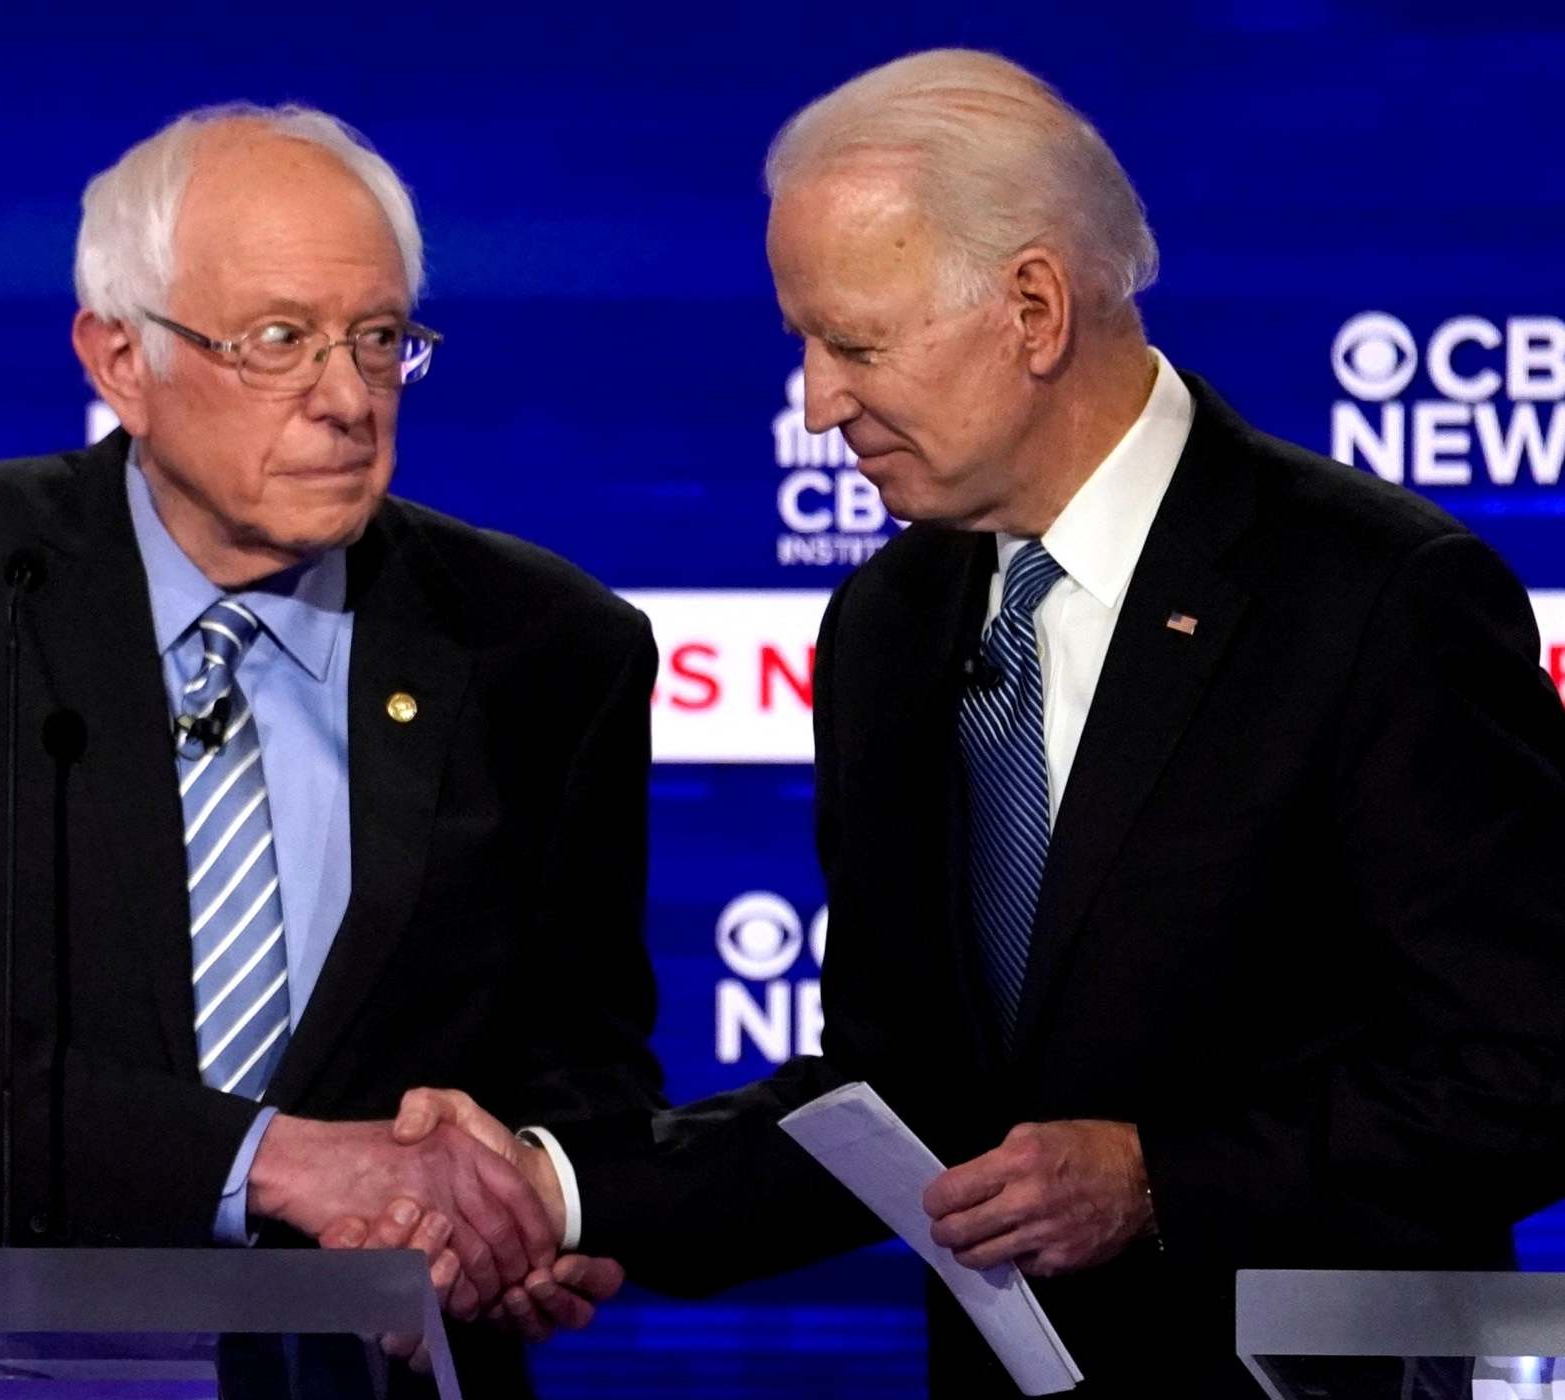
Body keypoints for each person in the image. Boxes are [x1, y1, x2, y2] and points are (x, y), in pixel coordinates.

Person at [392, 50, 1565, 1396]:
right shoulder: (890, 623)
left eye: (857, 344)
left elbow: (1529, 1061)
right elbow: (896, 1103)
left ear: (1034, 309)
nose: (820, 401)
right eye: (805, 346)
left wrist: (1160, 1182)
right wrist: (552, 1190)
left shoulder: (1371, 600)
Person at [0, 102, 661, 1398]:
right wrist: (287, 1161)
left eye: (379, 339)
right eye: (279, 342)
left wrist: (522, 1206)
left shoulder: (545, 644)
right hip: (3, 1354)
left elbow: (588, 1061)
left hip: (374, 1371)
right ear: (120, 358)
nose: (348, 399)